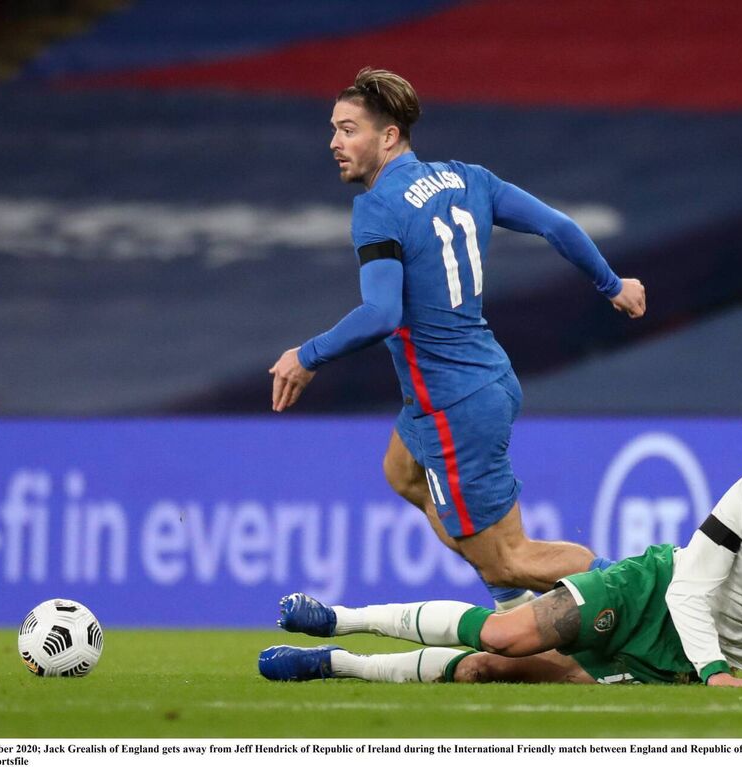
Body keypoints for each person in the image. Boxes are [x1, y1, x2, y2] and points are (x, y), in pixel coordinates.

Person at [268, 67, 645, 610]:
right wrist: (614, 284)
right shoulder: (471, 179)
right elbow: (557, 226)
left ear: (389, 136)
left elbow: (380, 313)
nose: (334, 142)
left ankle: (645, 590)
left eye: (349, 129)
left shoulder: (378, 208)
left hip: (454, 402)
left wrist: (306, 356)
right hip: (477, 380)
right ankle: (518, 615)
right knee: (401, 471)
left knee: (511, 557)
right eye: (334, 129)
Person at [258, 422, 742, 689]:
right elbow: (692, 590)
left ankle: (335, 668)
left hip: (672, 666)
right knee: (504, 633)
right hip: (653, 594)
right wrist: (718, 671)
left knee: (492, 669)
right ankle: (340, 618)